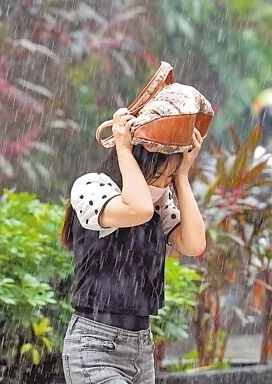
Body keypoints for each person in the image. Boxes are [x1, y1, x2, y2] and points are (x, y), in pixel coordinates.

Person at [60, 107, 206, 383]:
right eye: (160, 176)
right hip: (95, 346)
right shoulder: (92, 187)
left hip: (140, 348)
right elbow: (137, 209)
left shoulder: (158, 203)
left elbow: (195, 243)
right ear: (139, 165)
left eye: (168, 179)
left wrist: (182, 176)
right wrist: (124, 149)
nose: (163, 185)